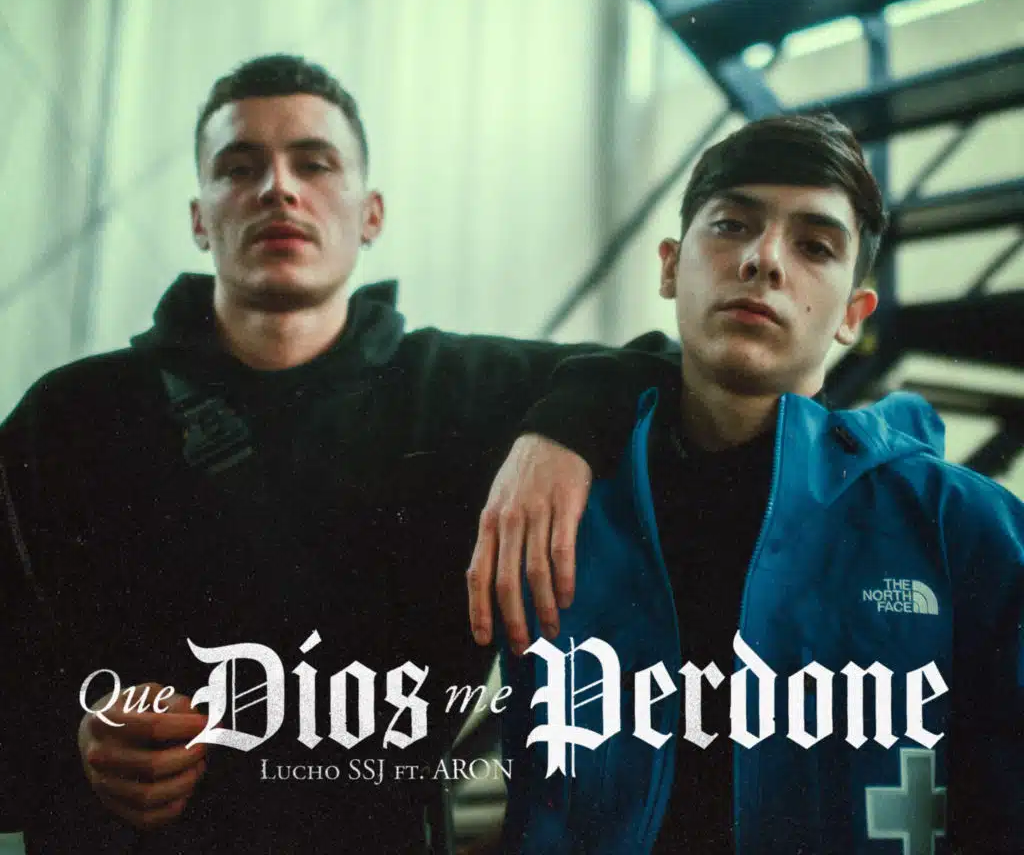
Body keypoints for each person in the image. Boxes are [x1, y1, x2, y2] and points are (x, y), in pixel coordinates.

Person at [0, 54, 674, 853]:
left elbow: (661, 369)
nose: (278, 189)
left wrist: (557, 433)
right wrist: (75, 742)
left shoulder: (467, 392)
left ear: (371, 214)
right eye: (239, 167)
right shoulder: (72, 416)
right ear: (199, 218)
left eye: (314, 164)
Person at [495, 114, 1024, 854]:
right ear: (670, 267)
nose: (764, 259)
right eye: (731, 226)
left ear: (853, 314)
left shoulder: (963, 525)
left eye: (815, 246)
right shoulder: (559, 501)